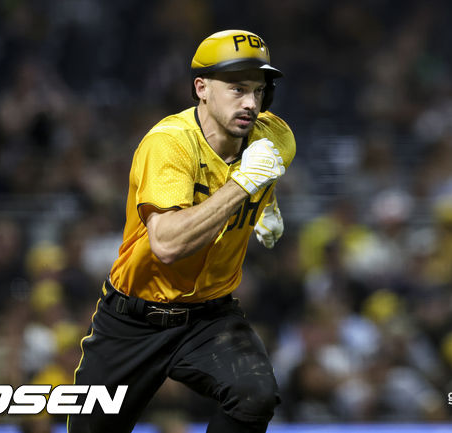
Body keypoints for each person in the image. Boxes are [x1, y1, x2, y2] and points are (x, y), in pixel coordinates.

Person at [68, 29, 295, 433]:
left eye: (258, 91)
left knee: (254, 395)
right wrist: (244, 186)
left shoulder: (274, 135)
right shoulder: (169, 144)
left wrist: (267, 203)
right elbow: (168, 244)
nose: (250, 103)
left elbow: (266, 170)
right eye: (237, 88)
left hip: (210, 314)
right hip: (133, 317)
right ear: (201, 88)